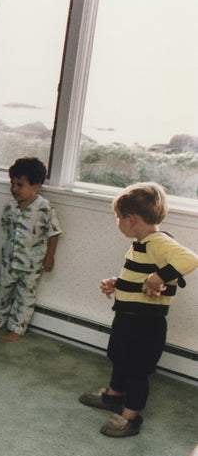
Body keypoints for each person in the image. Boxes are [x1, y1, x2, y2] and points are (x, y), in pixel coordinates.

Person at [78, 182, 197, 438]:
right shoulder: (141, 242)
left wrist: (160, 277)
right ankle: (114, 395)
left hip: (146, 323)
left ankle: (130, 417)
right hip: (128, 316)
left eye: (118, 218)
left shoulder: (158, 242)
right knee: (119, 357)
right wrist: (118, 283)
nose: (118, 222)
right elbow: (139, 277)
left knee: (136, 369)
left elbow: (190, 259)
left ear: (131, 219)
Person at [0, 157, 62, 341]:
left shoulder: (44, 207)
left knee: (25, 297)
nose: (14, 189)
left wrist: (50, 257)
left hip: (32, 264)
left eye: (20, 185)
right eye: (12, 184)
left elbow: (54, 233)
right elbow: (6, 227)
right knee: (2, 291)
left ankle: (17, 328)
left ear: (36, 185)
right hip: (9, 260)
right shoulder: (10, 206)